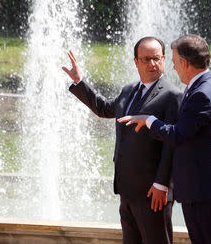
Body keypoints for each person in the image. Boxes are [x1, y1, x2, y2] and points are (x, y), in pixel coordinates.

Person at [118, 34, 211, 244]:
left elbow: (178, 135)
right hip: (201, 189)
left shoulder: (202, 92)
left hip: (206, 188)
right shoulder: (202, 87)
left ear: (185, 63)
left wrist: (149, 120)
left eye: (174, 62)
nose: (174, 68)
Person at [62, 36, 181, 244]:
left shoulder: (173, 95)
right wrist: (79, 82)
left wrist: (163, 184)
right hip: (127, 189)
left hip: (154, 192)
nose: (152, 64)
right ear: (136, 62)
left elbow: (172, 144)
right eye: (146, 59)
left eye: (156, 58)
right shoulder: (129, 90)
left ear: (163, 59)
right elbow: (103, 108)